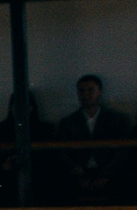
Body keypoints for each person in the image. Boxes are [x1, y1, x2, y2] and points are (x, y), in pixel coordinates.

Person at [53, 73, 132, 203]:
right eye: (81, 91)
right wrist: (77, 172)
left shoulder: (117, 120)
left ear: (99, 92)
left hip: (109, 171)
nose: (86, 94)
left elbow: (123, 152)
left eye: (91, 90)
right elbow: (61, 152)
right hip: (78, 172)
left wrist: (107, 174)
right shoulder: (67, 122)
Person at [0, 92, 41, 205]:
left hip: (36, 174)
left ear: (31, 108)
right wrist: (4, 164)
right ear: (11, 108)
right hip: (8, 175)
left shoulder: (43, 129)